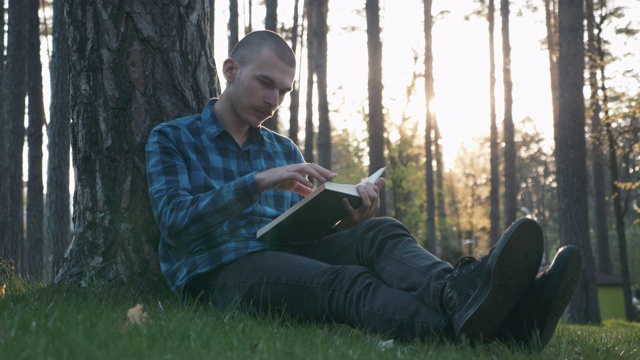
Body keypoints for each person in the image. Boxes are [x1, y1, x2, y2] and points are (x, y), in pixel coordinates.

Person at [145, 30, 581, 347]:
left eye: (283, 91)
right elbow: (175, 224)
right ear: (231, 70)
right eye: (266, 83)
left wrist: (347, 219)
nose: (274, 100)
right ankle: (503, 330)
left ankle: (461, 293)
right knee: (345, 283)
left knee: (381, 232)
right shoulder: (173, 138)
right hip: (220, 273)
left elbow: (298, 235)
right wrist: (258, 181)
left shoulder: (282, 148)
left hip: (284, 255)